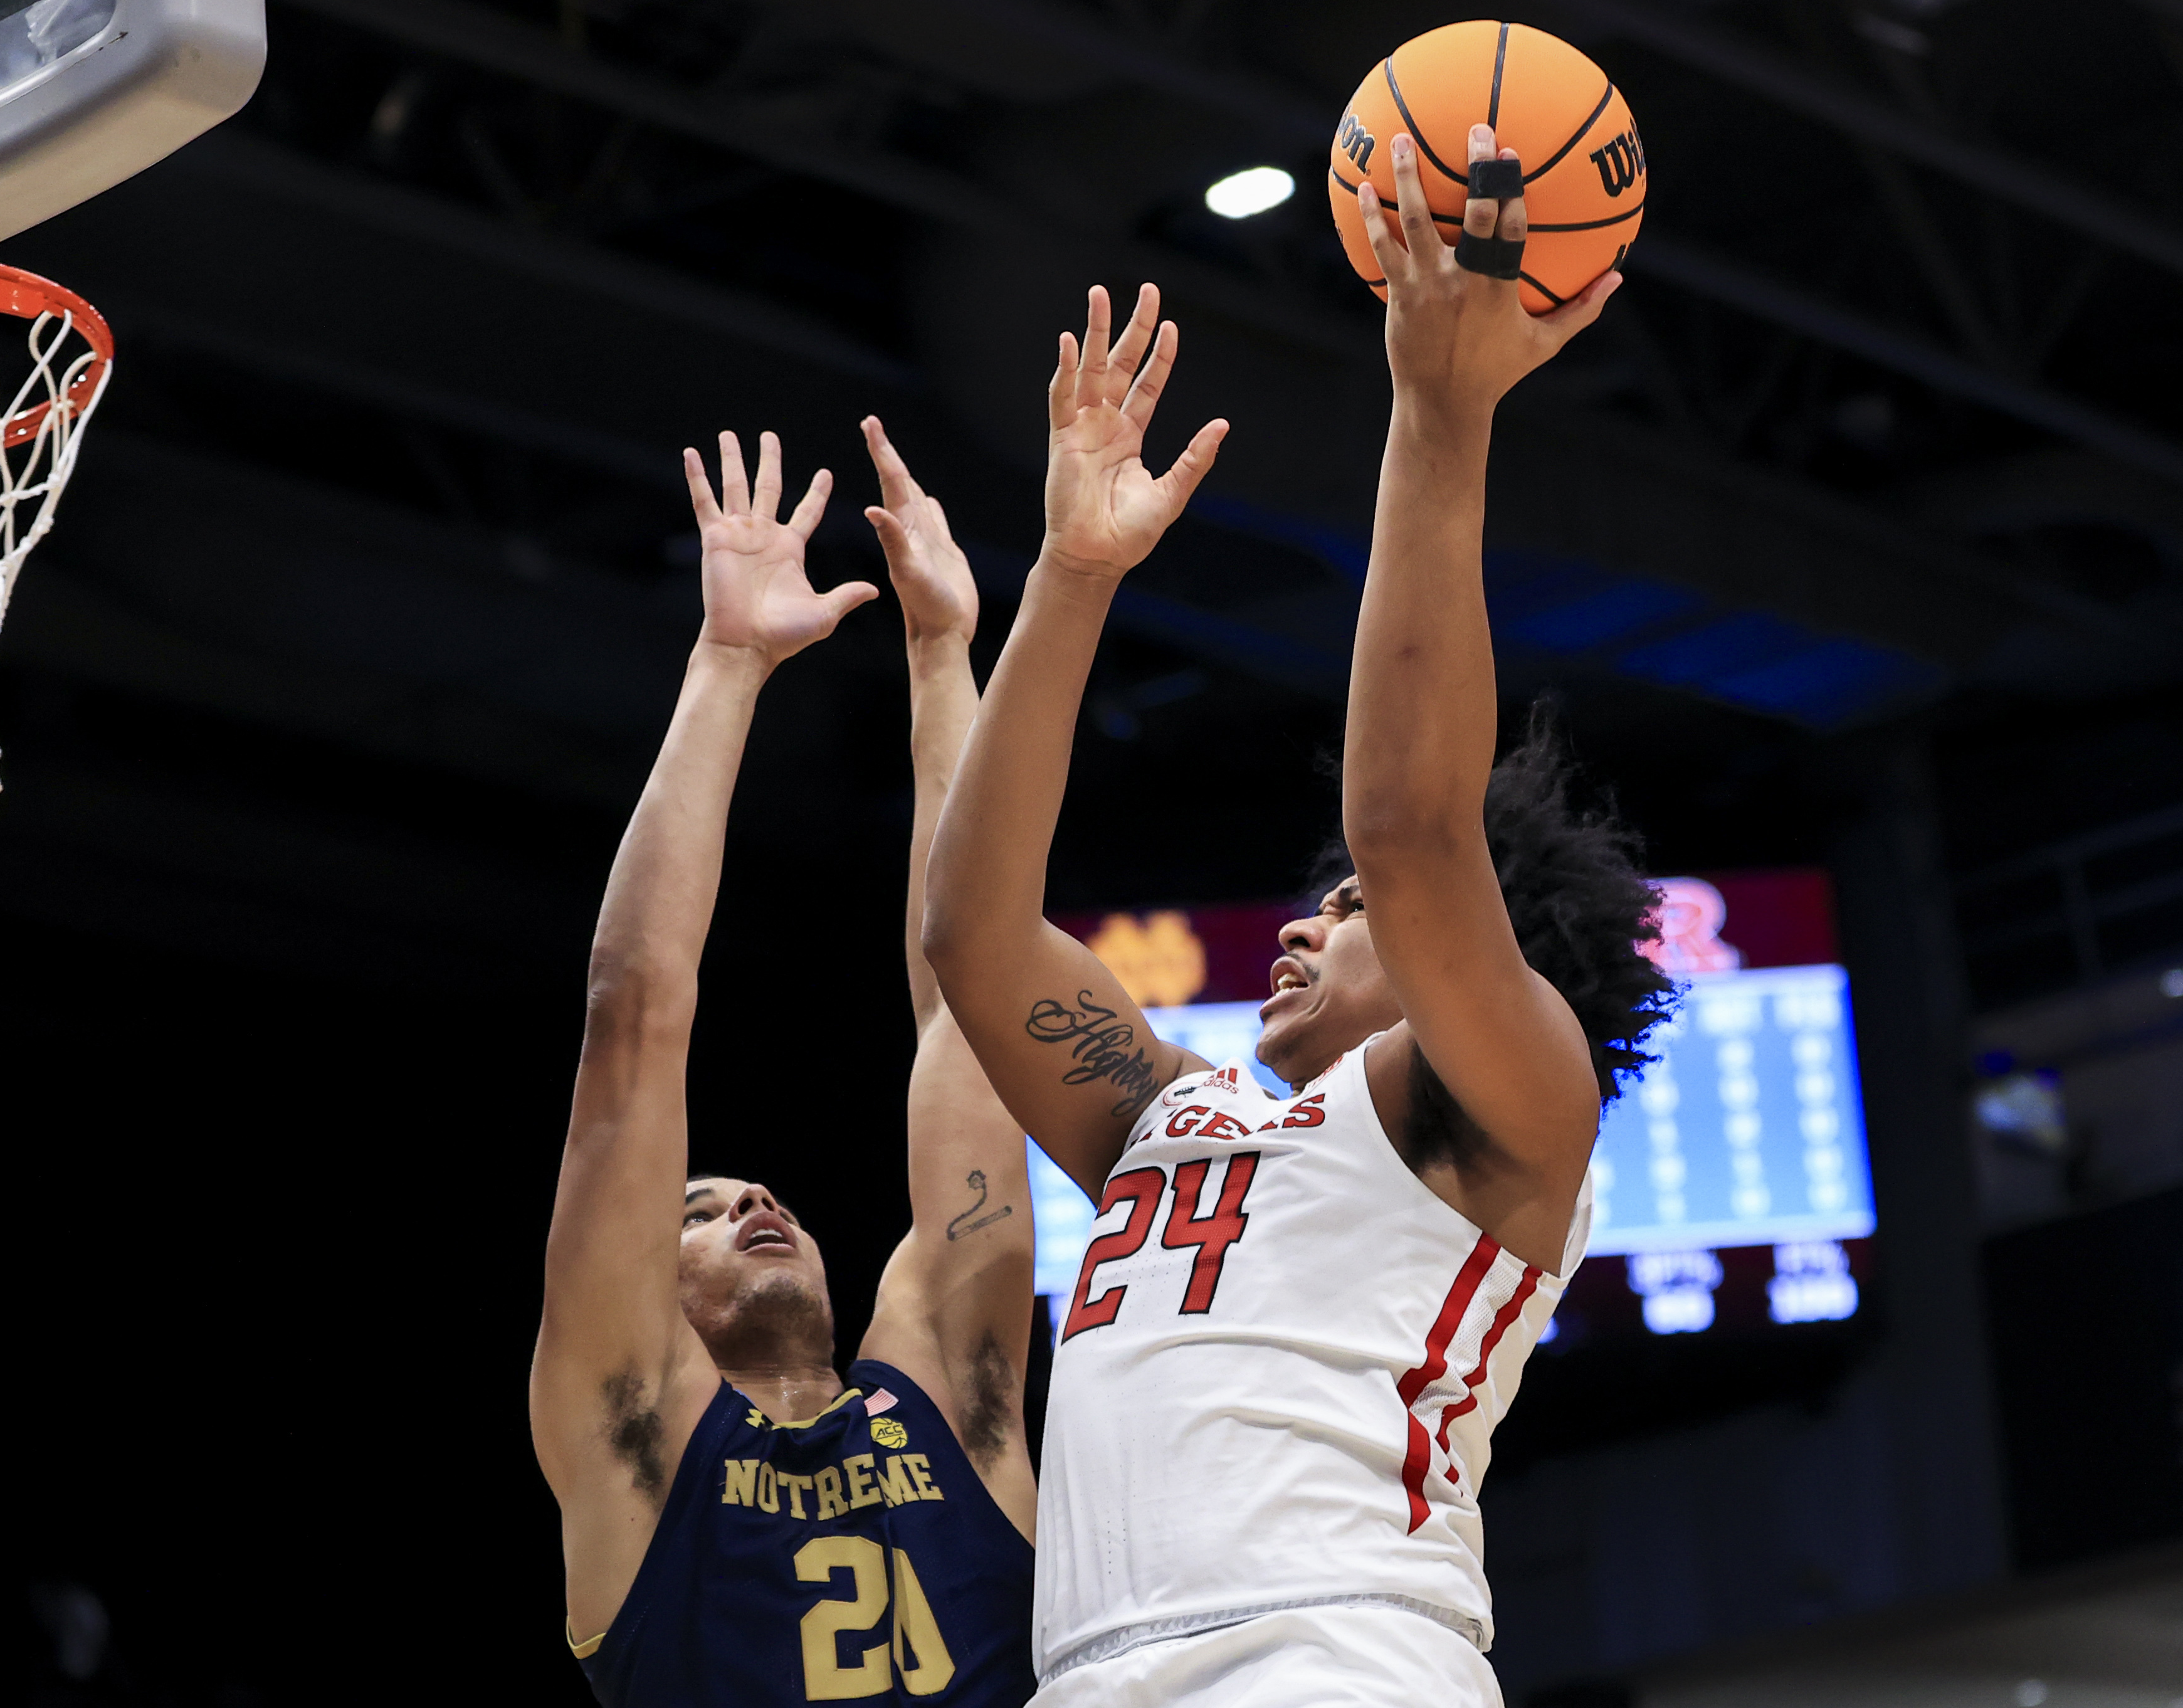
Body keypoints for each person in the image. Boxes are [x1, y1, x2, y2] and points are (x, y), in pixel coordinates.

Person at [920, 127, 1676, 1705]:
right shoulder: (1172, 1126)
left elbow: (1407, 827)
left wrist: (1439, 410)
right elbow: (972, 935)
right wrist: (1070, 577)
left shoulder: (1514, 1106)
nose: (1301, 922)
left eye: (1342, 913)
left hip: (1332, 1656)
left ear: (1487, 949)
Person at [532, 421, 1041, 1704]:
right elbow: (632, 1021)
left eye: (754, 1195)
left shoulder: (956, 1402)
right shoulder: (634, 1432)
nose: (749, 1204)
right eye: (697, 1212)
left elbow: (972, 1010)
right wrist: (727, 661)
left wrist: (941, 656)